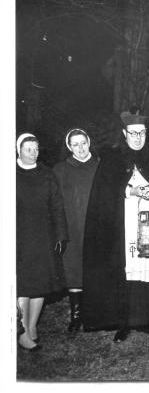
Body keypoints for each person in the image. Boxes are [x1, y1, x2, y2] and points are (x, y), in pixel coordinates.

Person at [82, 110, 149, 342]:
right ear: (124, 133)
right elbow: (104, 195)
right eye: (133, 133)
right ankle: (123, 322)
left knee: (147, 271)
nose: (138, 137)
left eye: (142, 133)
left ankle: (145, 319)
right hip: (121, 228)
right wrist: (129, 191)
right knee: (125, 272)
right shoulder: (112, 160)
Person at [16, 133, 68, 351]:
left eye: (36, 148)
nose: (33, 152)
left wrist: (60, 234)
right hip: (19, 235)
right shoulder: (10, 173)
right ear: (18, 150)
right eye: (29, 149)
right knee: (23, 285)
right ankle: (22, 332)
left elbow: (57, 205)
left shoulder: (46, 174)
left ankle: (32, 325)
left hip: (43, 234)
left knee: (40, 284)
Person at [53, 128, 99, 332]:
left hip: (96, 226)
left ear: (89, 142)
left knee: (96, 267)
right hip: (72, 227)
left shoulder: (101, 166)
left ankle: (95, 312)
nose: (80, 148)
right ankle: (76, 314)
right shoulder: (61, 170)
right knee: (74, 269)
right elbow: (55, 203)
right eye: (75, 144)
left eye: (83, 143)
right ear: (69, 147)